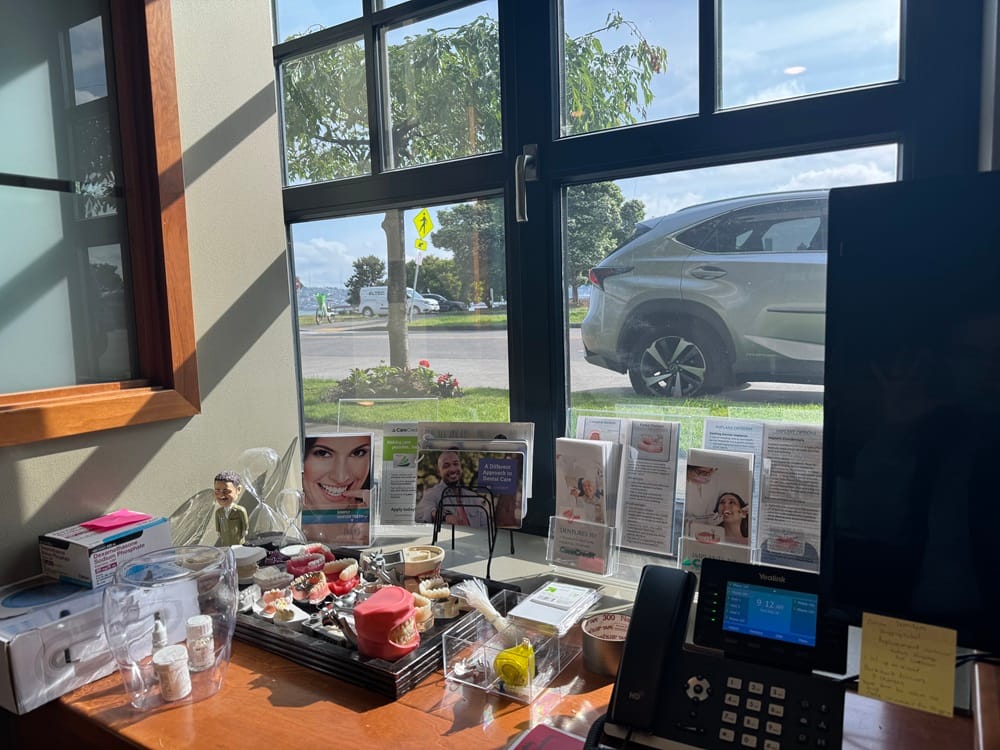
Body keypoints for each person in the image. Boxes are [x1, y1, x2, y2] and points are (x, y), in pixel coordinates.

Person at [302, 434, 372, 546]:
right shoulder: (288, 521)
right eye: (322, 453)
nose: (341, 478)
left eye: (357, 453)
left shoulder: (369, 518)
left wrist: (376, 524)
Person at [414, 450, 488, 528]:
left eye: (456, 464)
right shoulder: (432, 494)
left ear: (461, 467)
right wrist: (445, 516)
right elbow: (420, 513)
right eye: (446, 466)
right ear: (439, 472)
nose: (452, 469)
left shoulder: (473, 497)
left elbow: (485, 528)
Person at [214, 470, 249, 546]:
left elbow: (244, 522)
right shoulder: (218, 512)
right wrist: (218, 531)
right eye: (217, 491)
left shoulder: (240, 511)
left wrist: (245, 530)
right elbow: (218, 523)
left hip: (237, 539)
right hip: (225, 539)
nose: (221, 495)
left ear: (238, 490)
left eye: (226, 491)